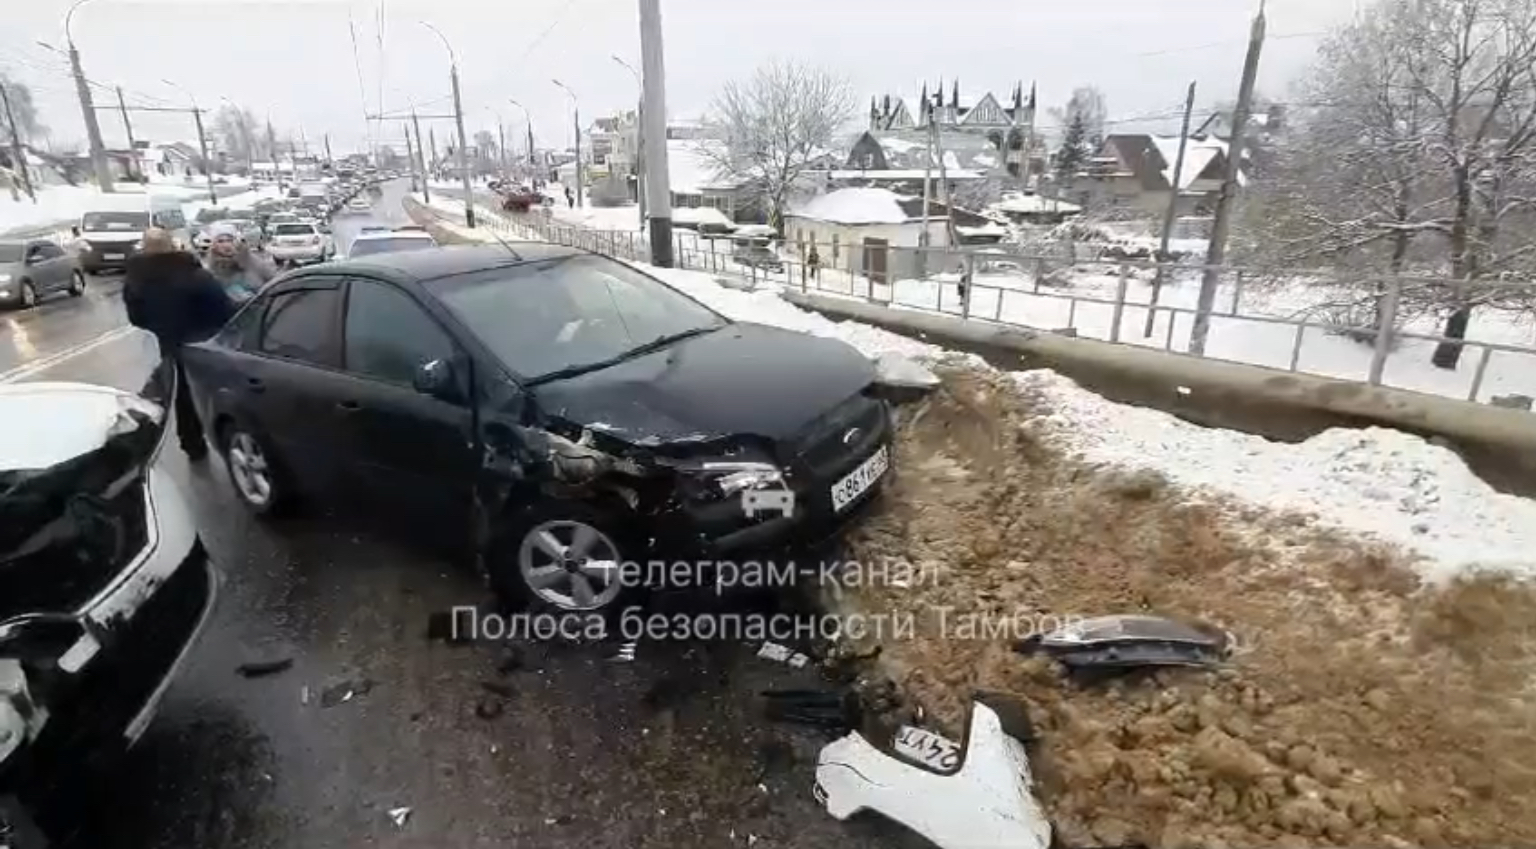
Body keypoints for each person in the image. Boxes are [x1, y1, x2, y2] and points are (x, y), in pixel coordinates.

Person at [123, 228, 236, 461]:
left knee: (180, 394)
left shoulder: (136, 279)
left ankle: (190, 443)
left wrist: (161, 327)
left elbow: (136, 317)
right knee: (215, 393)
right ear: (172, 246)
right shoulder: (193, 274)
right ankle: (226, 440)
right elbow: (223, 308)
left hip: (168, 344)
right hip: (204, 343)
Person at [202, 222, 277, 304]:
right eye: (221, 241)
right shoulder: (211, 270)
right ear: (214, 245)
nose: (226, 245)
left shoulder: (251, 260)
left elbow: (274, 281)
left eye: (230, 240)